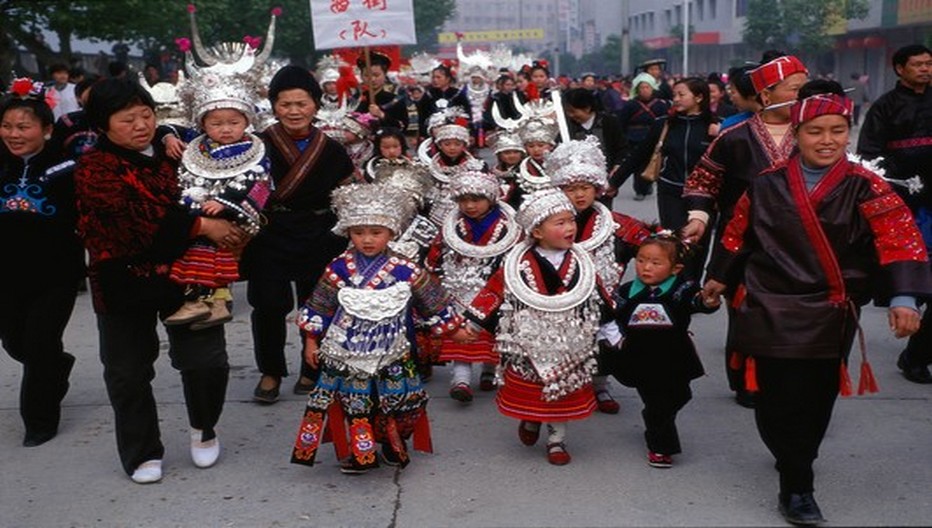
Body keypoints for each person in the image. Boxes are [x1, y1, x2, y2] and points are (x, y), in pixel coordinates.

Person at [703, 81, 932, 525]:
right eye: (816, 131)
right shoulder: (766, 184)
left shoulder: (868, 187)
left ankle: (797, 484)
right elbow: (737, 233)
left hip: (831, 307)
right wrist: (717, 279)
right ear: (797, 132)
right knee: (773, 400)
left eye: (838, 130)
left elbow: (899, 239)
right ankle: (791, 455)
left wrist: (905, 298)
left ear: (848, 132)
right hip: (770, 303)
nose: (827, 140)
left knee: (813, 399)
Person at [76, 77, 245, 483]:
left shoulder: (181, 153)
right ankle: (142, 451)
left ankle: (204, 428)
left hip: (189, 274)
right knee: (128, 372)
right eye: (127, 119)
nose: (141, 125)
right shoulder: (92, 167)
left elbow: (231, 169)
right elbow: (133, 223)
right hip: (121, 279)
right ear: (102, 124)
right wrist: (201, 224)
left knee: (207, 362)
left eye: (147, 115)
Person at [291, 182, 467, 474]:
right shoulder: (338, 268)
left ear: (392, 233)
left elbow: (432, 302)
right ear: (348, 233)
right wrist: (311, 341)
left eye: (376, 232)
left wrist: (455, 330)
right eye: (359, 233)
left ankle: (391, 443)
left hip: (395, 348)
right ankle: (362, 453)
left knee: (401, 400)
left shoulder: (406, 269)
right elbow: (319, 307)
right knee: (356, 403)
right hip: (347, 352)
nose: (367, 240)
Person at [681, 54, 808, 406]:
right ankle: (746, 379)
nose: (803, 97)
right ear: (767, 95)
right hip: (743, 243)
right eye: (796, 90)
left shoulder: (812, 134)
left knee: (795, 315)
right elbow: (703, 182)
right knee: (746, 312)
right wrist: (699, 217)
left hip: (800, 243)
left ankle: (787, 379)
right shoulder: (734, 137)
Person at [465, 188, 617, 465]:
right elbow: (493, 292)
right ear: (537, 231)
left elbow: (599, 295)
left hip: (571, 341)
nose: (570, 227)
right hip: (527, 340)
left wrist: (611, 330)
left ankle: (557, 440)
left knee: (562, 392)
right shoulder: (516, 264)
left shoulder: (583, 262)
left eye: (571, 221)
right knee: (532, 389)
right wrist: (473, 324)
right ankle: (531, 418)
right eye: (560, 223)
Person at [240, 65, 356, 402]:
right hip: (269, 233)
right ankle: (270, 370)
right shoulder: (256, 145)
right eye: (285, 104)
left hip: (319, 234)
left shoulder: (332, 149)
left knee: (317, 304)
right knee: (267, 305)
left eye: (301, 104)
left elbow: (346, 196)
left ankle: (313, 367)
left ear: (316, 106)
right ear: (273, 106)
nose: (293, 111)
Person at [0, 77, 84, 447]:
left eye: (23, 127)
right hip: (6, 276)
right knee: (15, 344)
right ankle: (58, 364)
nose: (13, 134)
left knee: (36, 345)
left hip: (56, 276)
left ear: (47, 130)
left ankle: (39, 420)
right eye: (6, 126)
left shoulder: (68, 169)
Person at [548, 137, 651, 414]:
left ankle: (600, 385)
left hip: (603, 302)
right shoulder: (545, 224)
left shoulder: (618, 225)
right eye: (571, 189)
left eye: (585, 188)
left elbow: (652, 246)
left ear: (597, 189)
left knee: (603, 348)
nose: (579, 195)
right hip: (558, 303)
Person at [164, 67, 272, 330]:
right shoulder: (196, 143)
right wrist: (167, 137)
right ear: (202, 124)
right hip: (198, 209)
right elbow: (167, 126)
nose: (225, 129)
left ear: (247, 121)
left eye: (233, 123)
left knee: (212, 254)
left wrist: (225, 202)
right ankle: (202, 300)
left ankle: (214, 301)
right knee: (194, 255)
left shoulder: (255, 149)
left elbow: (257, 183)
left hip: (232, 213)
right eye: (216, 123)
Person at [608, 231, 719, 468]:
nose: (646, 267)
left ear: (675, 268)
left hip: (673, 357)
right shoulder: (627, 291)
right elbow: (610, 314)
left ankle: (655, 420)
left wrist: (708, 303)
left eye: (655, 263)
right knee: (657, 404)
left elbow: (696, 302)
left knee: (680, 395)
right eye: (641, 260)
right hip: (640, 358)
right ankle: (660, 447)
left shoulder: (682, 289)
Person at [857, 44, 932, 385]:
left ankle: (916, 353)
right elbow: (870, 157)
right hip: (906, 207)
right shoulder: (884, 107)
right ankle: (914, 348)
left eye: (929, 64)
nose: (925, 69)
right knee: (916, 277)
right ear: (899, 68)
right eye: (917, 64)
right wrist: (902, 182)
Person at [426, 171, 521, 402]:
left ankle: (489, 371)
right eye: (463, 200)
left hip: (496, 285)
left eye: (476, 200)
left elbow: (518, 253)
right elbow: (437, 250)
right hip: (459, 285)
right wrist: (433, 271)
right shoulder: (453, 224)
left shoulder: (509, 225)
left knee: (494, 330)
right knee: (463, 330)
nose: (469, 206)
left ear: (491, 199)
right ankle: (461, 379)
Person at [612, 77, 719, 279]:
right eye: (674, 95)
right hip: (671, 192)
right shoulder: (664, 124)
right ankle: (673, 289)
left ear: (698, 97)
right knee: (673, 242)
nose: (676, 99)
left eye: (681, 95)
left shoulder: (714, 126)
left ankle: (691, 287)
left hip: (704, 197)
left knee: (698, 244)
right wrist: (614, 182)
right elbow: (639, 155)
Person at [615, 72, 668, 200]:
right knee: (638, 165)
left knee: (653, 163)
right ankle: (640, 190)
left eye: (647, 87)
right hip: (635, 138)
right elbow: (622, 123)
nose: (644, 90)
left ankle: (648, 183)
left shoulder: (660, 105)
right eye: (641, 88)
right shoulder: (630, 105)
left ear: (652, 88)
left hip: (655, 139)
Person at [562, 88, 627, 193]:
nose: (570, 115)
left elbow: (621, 148)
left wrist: (617, 166)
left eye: (573, 111)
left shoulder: (609, 122)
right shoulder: (566, 126)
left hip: (605, 180)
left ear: (587, 108)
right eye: (567, 112)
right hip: (576, 183)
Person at [353, 52, 408, 131]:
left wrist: (381, 115)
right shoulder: (356, 99)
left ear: (385, 75)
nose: (372, 79)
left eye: (376, 75)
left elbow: (402, 126)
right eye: (367, 75)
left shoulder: (395, 100)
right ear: (361, 76)